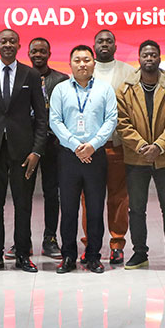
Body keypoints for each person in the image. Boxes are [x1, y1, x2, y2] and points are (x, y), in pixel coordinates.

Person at [0, 29, 47, 274]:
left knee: (23, 204)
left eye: (12, 41)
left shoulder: (31, 74)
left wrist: (36, 151)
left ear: (19, 45)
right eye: (3, 41)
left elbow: (41, 118)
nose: (7, 45)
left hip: (23, 153)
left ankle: (23, 256)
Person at [116, 40, 165, 271]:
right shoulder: (125, 89)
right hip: (136, 159)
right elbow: (122, 122)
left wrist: (158, 146)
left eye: (153, 55)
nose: (149, 58)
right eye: (145, 54)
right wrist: (141, 146)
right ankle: (139, 253)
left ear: (159, 58)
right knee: (136, 208)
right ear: (139, 58)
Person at [51, 44, 117, 274]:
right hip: (69, 156)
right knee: (68, 209)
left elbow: (111, 120)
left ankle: (93, 256)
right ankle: (68, 255)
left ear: (94, 63)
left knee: (96, 209)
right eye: (77, 60)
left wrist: (92, 145)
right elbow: (55, 120)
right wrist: (76, 145)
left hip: (96, 155)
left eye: (86, 60)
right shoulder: (60, 89)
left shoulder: (105, 89)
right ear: (70, 64)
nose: (82, 64)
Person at [80, 29, 134, 265]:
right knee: (88, 199)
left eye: (109, 41)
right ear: (93, 45)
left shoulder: (128, 71)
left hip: (117, 145)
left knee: (119, 198)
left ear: (115, 45)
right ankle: (90, 244)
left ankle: (117, 244)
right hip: (89, 148)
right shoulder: (84, 69)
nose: (104, 44)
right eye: (100, 40)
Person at [19, 36, 67, 260]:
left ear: (49, 53)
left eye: (42, 51)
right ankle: (22, 240)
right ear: (28, 53)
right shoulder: (19, 77)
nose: (38, 55)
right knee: (23, 193)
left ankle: (50, 238)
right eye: (34, 51)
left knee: (52, 193)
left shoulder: (61, 80)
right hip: (25, 145)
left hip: (53, 145)